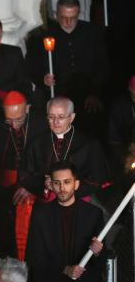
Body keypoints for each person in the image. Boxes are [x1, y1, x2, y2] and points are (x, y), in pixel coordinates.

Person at [13, 96, 109, 260]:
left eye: (61, 117)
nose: (55, 122)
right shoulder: (36, 143)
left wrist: (70, 190)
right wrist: (43, 184)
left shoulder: (89, 143)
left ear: (72, 117)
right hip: (46, 206)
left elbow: (97, 178)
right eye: (51, 117)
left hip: (79, 204)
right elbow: (24, 175)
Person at [0, 91, 48, 259]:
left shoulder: (41, 125)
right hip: (4, 183)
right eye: (9, 121)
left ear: (28, 109)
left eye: (19, 120)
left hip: (33, 185)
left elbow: (48, 161)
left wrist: (32, 185)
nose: (14, 126)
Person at [25, 0, 109, 136]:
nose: (68, 22)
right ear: (56, 14)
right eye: (64, 17)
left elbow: (103, 66)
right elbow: (31, 68)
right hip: (57, 95)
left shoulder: (93, 33)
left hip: (88, 96)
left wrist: (95, 92)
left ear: (78, 13)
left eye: (73, 17)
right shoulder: (41, 37)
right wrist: (43, 79)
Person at [26, 160, 105, 282]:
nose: (62, 188)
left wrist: (98, 251)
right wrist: (65, 269)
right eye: (57, 183)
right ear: (51, 185)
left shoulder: (94, 214)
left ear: (76, 184)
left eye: (67, 182)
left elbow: (103, 258)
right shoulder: (40, 215)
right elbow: (34, 256)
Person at [107, 75, 135, 184]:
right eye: (134, 97)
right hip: (128, 158)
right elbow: (113, 138)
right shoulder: (119, 106)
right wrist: (125, 157)